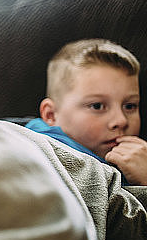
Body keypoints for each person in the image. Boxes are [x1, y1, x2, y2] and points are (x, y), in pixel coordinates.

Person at [25, 38, 147, 185]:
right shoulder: (44, 159)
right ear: (51, 115)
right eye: (97, 106)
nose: (121, 121)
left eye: (130, 106)